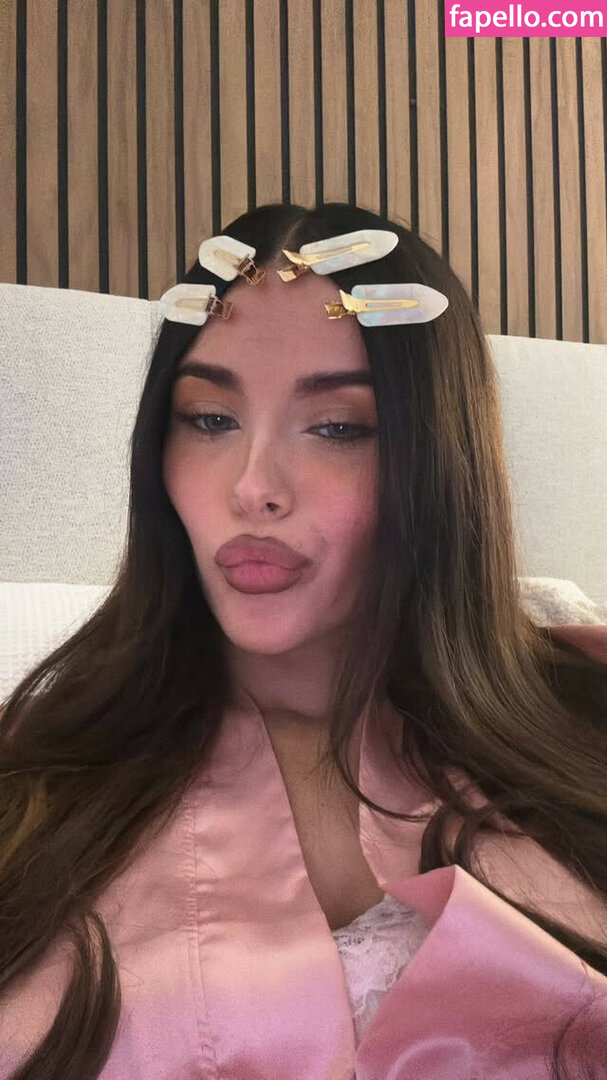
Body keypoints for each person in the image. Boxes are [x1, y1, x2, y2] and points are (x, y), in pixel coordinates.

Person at [0, 201, 605, 1080]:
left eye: (337, 427)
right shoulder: (32, 783)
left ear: (436, 462)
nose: (252, 488)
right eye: (209, 418)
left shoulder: (586, 715)